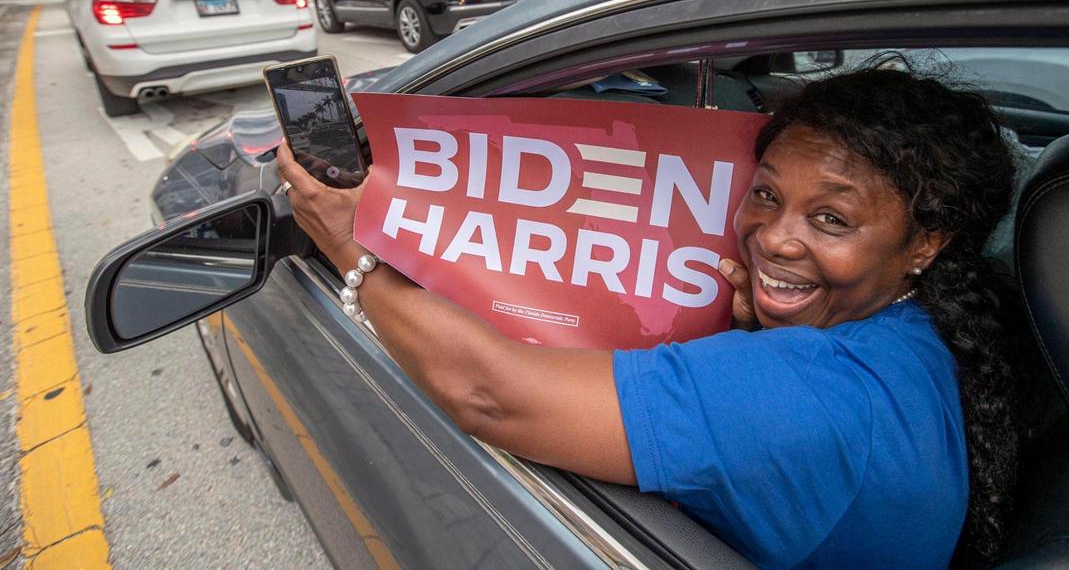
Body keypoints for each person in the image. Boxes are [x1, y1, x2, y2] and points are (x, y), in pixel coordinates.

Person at [277, 65, 1018, 567]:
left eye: (830, 219)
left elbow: (488, 391)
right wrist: (770, 332)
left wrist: (350, 244)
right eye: (765, 194)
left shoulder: (806, 396)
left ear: (926, 242)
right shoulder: (921, 335)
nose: (774, 236)